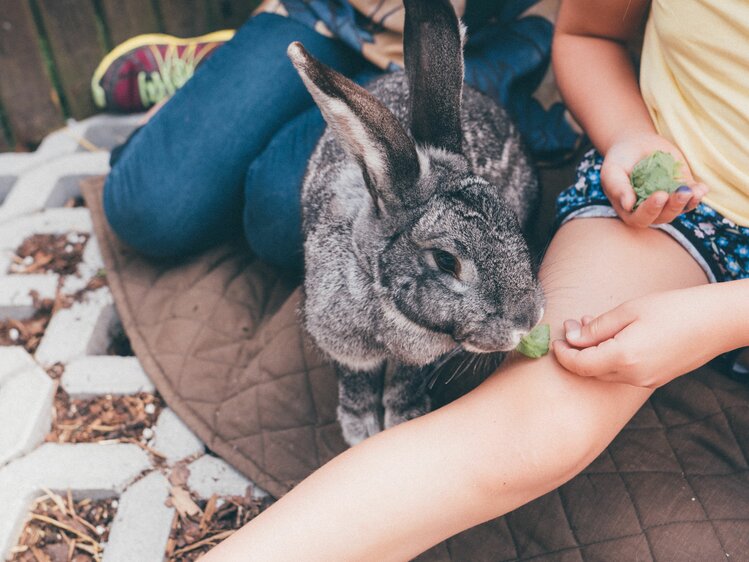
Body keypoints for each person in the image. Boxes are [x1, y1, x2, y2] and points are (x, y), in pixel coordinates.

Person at [190, 0, 747, 559]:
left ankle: (494, 60)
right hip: (678, 201)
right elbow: (589, 35)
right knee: (536, 425)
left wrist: (720, 318)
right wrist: (629, 135)